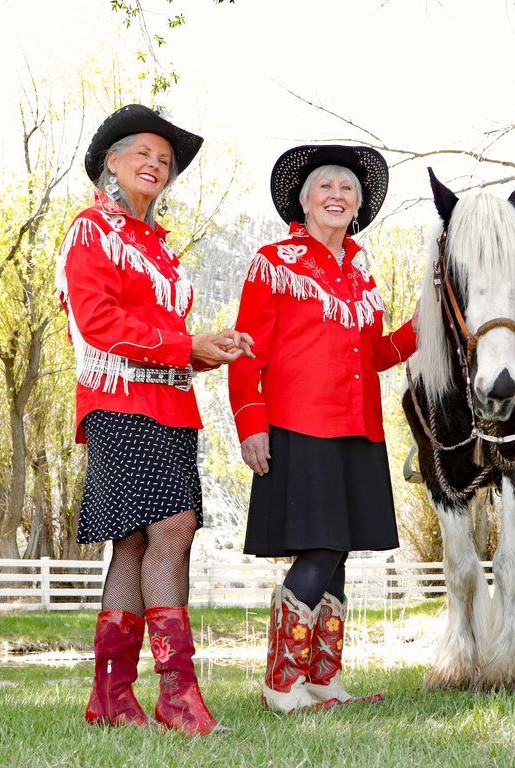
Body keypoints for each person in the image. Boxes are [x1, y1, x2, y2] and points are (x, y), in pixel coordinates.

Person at [57, 104, 252, 735]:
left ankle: (112, 698)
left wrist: (203, 351)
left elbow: (163, 336)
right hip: (119, 403)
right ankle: (178, 696)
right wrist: (183, 346)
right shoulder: (91, 232)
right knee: (175, 525)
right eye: (142, 152)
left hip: (169, 403)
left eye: (164, 161)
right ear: (109, 162)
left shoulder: (159, 251)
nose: (155, 164)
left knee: (138, 541)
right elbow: (99, 325)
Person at [228, 144, 416, 713]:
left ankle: (323, 682)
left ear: (358, 204)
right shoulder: (274, 261)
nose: (337, 195)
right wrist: (249, 423)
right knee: (318, 549)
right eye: (325, 186)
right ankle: (281, 684)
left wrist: (423, 325)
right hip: (296, 425)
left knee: (338, 555)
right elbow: (245, 352)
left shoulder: (362, 275)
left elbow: (376, 353)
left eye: (347, 189)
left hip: (358, 429)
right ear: (304, 201)